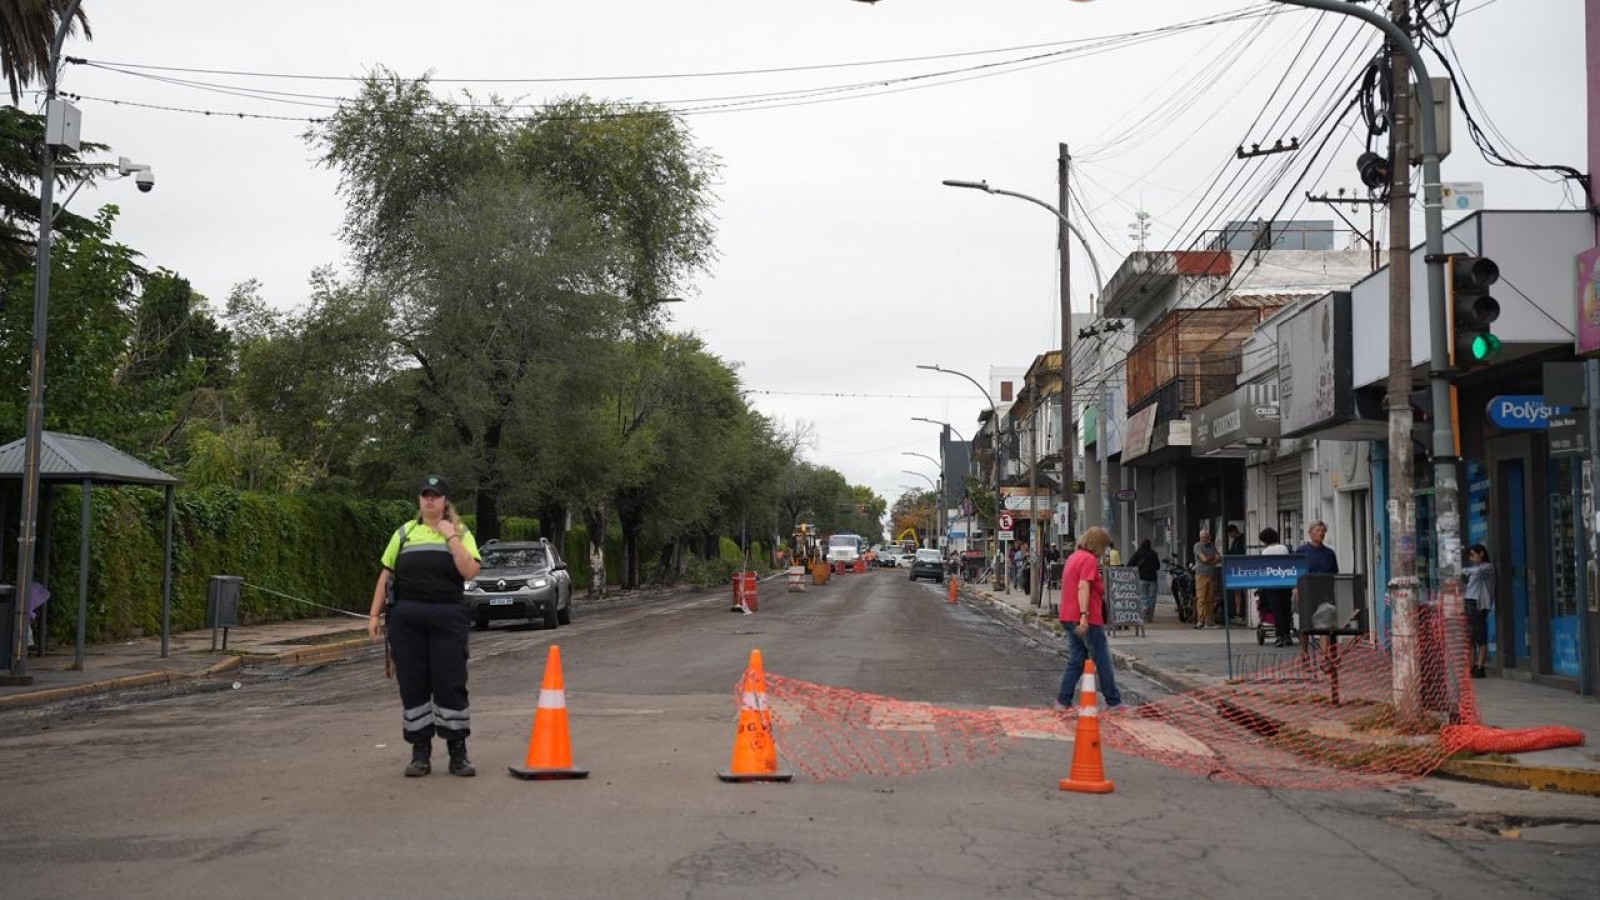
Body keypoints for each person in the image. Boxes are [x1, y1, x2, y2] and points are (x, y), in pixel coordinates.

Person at [368, 475, 483, 778]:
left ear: (446, 501)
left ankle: (458, 753)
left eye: (436, 495)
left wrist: (451, 538)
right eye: (425, 495)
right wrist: (373, 615)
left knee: (450, 683)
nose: (430, 500)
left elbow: (470, 571)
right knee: (413, 685)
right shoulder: (405, 533)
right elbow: (385, 575)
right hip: (408, 621)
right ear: (419, 500)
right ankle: (420, 754)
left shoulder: (461, 532)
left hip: (448, 617)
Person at [1053, 527, 1123, 711]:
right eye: (1104, 547)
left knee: (1076, 659)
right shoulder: (1089, 560)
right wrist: (1084, 615)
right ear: (1098, 545)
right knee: (1102, 659)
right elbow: (1083, 586)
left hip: (1068, 616)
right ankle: (1114, 701)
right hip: (1087, 618)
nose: (1104, 552)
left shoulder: (1074, 557)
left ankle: (1063, 700)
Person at [1257, 528, 1295, 647]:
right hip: (1285, 582)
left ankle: (1280, 636)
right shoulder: (1284, 548)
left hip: (1271, 583)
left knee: (1276, 609)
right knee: (1286, 608)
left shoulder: (1265, 552)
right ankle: (1288, 634)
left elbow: (1263, 568)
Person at [1462, 544, 1495, 679]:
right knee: (1470, 636)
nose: (1471, 558)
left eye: (1473, 554)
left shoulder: (1487, 567)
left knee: (1480, 636)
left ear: (1481, 553)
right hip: (1468, 602)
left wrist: (1463, 570)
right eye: (1469, 555)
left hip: (1478, 604)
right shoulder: (1474, 568)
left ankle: (1481, 666)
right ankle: (1471, 665)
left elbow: (1476, 572)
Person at [1192, 528, 1221, 629]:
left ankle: (1209, 621)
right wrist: (1212, 558)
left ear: (1210, 537)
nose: (1204, 539)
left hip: (1211, 574)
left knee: (1210, 598)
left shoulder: (1212, 546)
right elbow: (1204, 559)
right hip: (1201, 575)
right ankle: (1201, 621)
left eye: (1206, 537)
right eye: (1202, 537)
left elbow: (1219, 557)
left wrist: (1209, 559)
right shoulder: (1197, 546)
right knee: (1201, 598)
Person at [1127, 538, 1160, 623]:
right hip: (1153, 579)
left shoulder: (1138, 553)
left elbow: (1129, 564)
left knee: (1143, 596)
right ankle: (1150, 617)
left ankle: (1144, 609)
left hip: (1141, 578)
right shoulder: (1153, 554)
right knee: (1152, 597)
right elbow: (1158, 566)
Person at [1225, 524, 1246, 623]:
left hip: (1241, 568)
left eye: (1230, 534)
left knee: (1240, 591)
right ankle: (1238, 613)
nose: (1230, 536)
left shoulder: (1243, 540)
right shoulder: (1235, 541)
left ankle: (1241, 612)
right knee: (1237, 591)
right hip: (1235, 568)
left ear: (1234, 531)